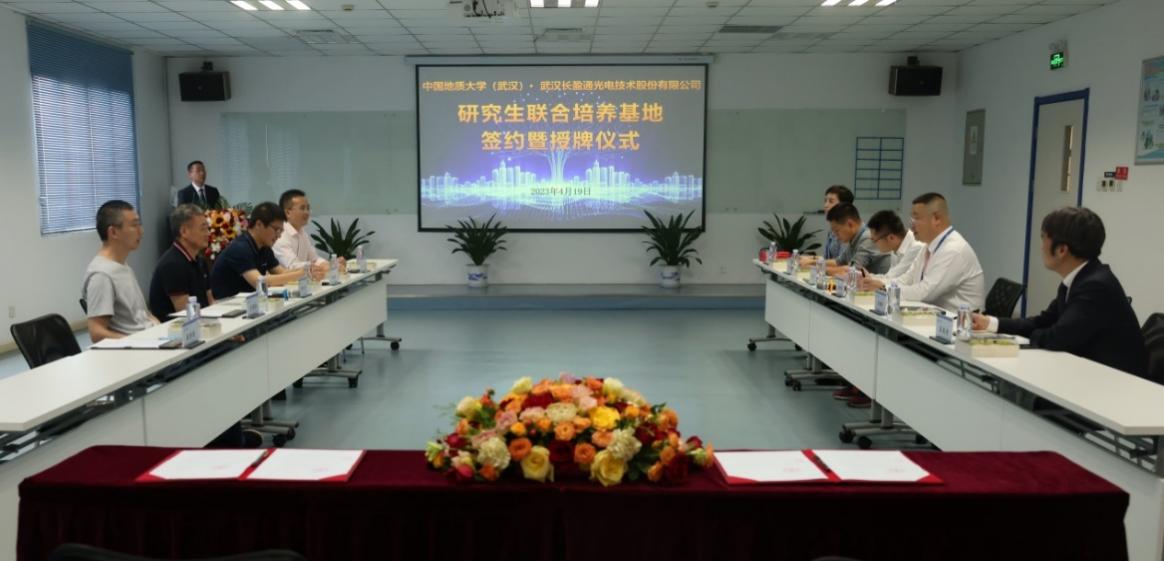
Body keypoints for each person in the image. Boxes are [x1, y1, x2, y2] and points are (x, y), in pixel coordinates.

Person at [973, 207, 1151, 380]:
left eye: (1044, 238)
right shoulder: (1078, 279)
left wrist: (1030, 335)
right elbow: (1043, 321)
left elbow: (1057, 338)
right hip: (1090, 374)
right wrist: (990, 323)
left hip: (1116, 384)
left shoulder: (1095, 286)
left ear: (1061, 250)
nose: (1041, 247)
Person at [860, 193, 985, 311]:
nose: (911, 225)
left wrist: (883, 288)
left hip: (961, 322)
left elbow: (924, 293)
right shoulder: (928, 247)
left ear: (936, 218)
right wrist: (872, 282)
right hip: (934, 317)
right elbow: (906, 279)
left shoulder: (953, 250)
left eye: (917, 218)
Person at [83, 201, 158, 343]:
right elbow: (97, 333)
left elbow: (144, 315)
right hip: (135, 349)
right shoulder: (102, 275)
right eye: (134, 225)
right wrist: (138, 343)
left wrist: (161, 331)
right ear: (113, 232)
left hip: (150, 339)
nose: (141, 231)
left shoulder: (122, 266)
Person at [209, 202, 305, 300]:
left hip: (250, 301)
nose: (279, 236)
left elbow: (282, 273)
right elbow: (260, 282)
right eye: (276, 230)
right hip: (226, 304)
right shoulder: (239, 248)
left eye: (281, 231)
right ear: (259, 224)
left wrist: (306, 270)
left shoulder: (265, 247)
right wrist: (299, 274)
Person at [148, 204, 215, 319]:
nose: (208, 233)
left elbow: (210, 302)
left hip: (202, 321)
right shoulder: (172, 265)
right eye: (203, 229)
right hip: (178, 327)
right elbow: (186, 313)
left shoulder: (200, 261)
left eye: (207, 228)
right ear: (184, 231)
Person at [273, 189, 334, 279]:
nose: (307, 212)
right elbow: (292, 266)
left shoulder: (302, 232)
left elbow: (314, 258)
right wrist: (319, 268)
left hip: (303, 282)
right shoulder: (280, 235)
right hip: (285, 285)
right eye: (302, 208)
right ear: (287, 212)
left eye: (308, 208)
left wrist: (331, 265)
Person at [822, 203, 890, 276]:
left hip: (883, 282)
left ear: (850, 224)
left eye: (837, 231)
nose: (836, 236)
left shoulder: (868, 238)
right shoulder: (854, 238)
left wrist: (821, 269)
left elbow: (852, 271)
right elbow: (839, 262)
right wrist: (815, 263)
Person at [863, 209, 926, 282]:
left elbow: (895, 280)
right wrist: (866, 276)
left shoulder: (916, 247)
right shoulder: (896, 247)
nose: (873, 244)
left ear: (891, 238)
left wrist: (868, 278)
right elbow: (889, 277)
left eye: (874, 240)